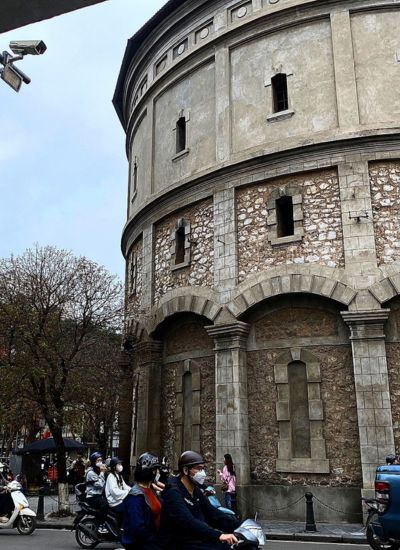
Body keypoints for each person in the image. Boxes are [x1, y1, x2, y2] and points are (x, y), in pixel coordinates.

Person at [159, 450, 240, 550]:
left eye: (203, 469)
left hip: (195, 539)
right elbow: (188, 521)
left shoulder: (195, 490)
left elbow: (212, 514)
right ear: (185, 470)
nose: (203, 473)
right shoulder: (173, 492)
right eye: (199, 469)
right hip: (177, 543)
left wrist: (240, 526)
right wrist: (218, 535)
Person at [121, 452, 163, 550]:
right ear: (151, 471)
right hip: (142, 544)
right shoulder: (135, 497)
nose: (158, 473)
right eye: (156, 470)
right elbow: (138, 527)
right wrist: (155, 542)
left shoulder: (151, 489)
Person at [86, 451, 108, 534]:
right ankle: (101, 526)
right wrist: (102, 472)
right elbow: (100, 484)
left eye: (101, 460)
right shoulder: (91, 473)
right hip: (92, 497)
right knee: (104, 504)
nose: (100, 462)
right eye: (98, 460)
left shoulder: (98, 471)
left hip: (99, 495)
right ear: (93, 462)